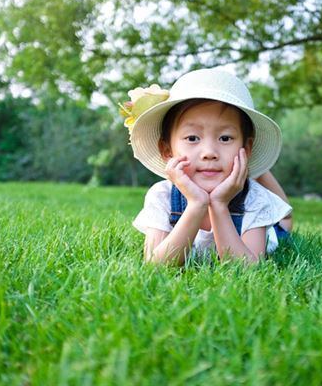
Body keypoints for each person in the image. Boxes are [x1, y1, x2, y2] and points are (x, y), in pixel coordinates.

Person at [124, 69, 292, 266]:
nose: (209, 152)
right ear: (166, 150)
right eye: (192, 138)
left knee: (286, 222)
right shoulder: (162, 196)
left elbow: (248, 270)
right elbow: (156, 265)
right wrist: (196, 205)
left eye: (225, 138)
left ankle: (258, 171)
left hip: (272, 230)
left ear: (245, 148)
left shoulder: (255, 199)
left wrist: (220, 205)